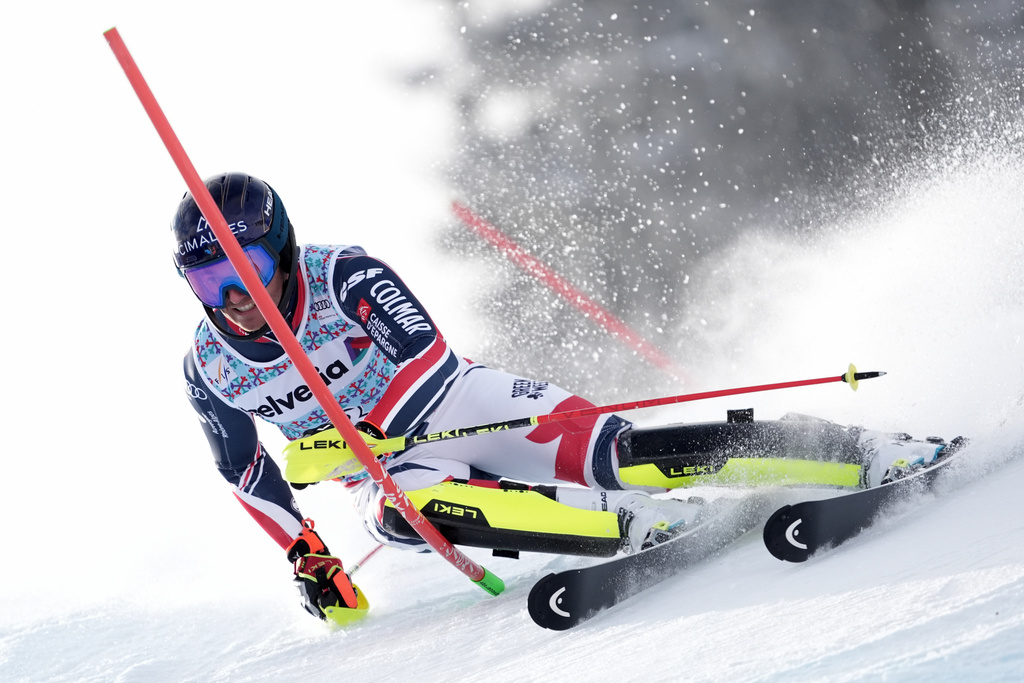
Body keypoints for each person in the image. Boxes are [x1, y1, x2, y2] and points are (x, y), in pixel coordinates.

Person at [176, 172, 957, 624]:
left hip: (462, 404)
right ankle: (635, 526)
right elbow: (246, 471)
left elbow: (425, 355)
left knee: (620, 455)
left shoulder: (341, 274)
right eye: (211, 282)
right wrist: (307, 554)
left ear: (277, 244)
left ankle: (852, 452)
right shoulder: (211, 365)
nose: (235, 296)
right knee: (401, 511)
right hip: (395, 474)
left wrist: (359, 435)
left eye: (245, 266)